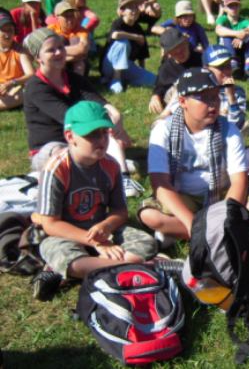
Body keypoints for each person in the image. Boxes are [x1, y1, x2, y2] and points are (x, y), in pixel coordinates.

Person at [30, 101, 157, 301]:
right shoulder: (56, 169)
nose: (101, 140)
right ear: (70, 136)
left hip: (100, 229)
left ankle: (81, 271)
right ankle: (136, 267)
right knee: (63, 255)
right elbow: (51, 224)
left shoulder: (111, 166)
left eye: (104, 133)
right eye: (91, 135)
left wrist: (106, 226)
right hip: (65, 234)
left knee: (147, 242)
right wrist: (96, 242)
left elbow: (120, 212)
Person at [139, 68, 249, 248]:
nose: (213, 104)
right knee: (149, 216)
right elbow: (160, 184)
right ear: (183, 101)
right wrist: (191, 223)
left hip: (222, 194)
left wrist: (224, 216)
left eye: (215, 96)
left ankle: (178, 233)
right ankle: (227, 231)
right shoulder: (163, 130)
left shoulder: (229, 130)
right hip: (183, 195)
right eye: (204, 98)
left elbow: (239, 181)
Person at [22, 28, 143, 197]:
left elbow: (98, 101)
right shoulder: (35, 88)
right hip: (50, 147)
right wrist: (103, 124)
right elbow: (68, 117)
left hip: (80, 137)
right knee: (65, 155)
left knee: (106, 132)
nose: (59, 52)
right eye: (51, 50)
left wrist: (115, 117)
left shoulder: (73, 78)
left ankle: (123, 177)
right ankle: (107, 163)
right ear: (38, 58)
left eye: (60, 47)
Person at [101, 0, 155, 94]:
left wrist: (142, 71)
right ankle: (116, 79)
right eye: (131, 8)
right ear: (122, 11)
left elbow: (142, 55)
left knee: (153, 80)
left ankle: (125, 80)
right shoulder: (118, 23)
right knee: (123, 43)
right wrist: (135, 37)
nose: (135, 11)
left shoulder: (138, 28)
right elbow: (115, 35)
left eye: (136, 7)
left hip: (127, 65)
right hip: (109, 65)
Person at [148, 28, 201, 114]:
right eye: (175, 52)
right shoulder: (166, 68)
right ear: (169, 53)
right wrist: (155, 97)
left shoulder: (200, 59)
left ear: (186, 43)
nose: (180, 53)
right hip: (178, 102)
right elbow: (159, 87)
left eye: (182, 48)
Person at [215, 0, 249, 81]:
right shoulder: (223, 19)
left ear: (239, 7)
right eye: (230, 6)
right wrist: (237, 34)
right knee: (226, 37)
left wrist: (244, 34)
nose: (234, 8)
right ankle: (233, 66)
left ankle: (248, 69)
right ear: (225, 8)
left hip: (241, 49)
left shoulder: (243, 21)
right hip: (226, 52)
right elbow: (218, 30)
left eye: (236, 5)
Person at [0, 10, 34, 110]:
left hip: (17, 86)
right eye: (4, 31)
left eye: (10, 30)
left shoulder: (20, 51)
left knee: (25, 92)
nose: (7, 34)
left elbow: (31, 74)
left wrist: (11, 83)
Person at [48, 1, 89, 76]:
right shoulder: (51, 30)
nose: (70, 19)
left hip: (77, 64)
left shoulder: (81, 29)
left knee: (75, 39)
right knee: (60, 38)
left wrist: (58, 52)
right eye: (66, 16)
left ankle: (77, 82)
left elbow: (83, 49)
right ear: (57, 17)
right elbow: (46, 51)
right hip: (59, 64)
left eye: (72, 16)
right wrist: (72, 56)